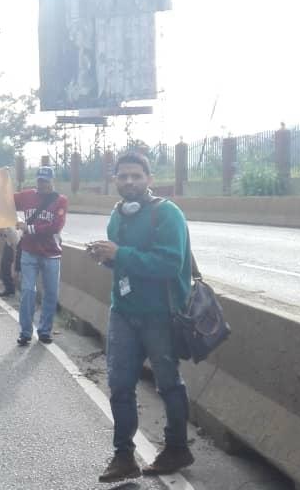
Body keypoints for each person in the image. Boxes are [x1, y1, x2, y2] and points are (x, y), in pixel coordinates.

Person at [89, 153, 194, 483]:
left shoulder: (168, 214)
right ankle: (123, 456)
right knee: (119, 386)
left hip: (160, 314)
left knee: (168, 384)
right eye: (123, 176)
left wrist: (120, 255)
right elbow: (121, 263)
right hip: (123, 312)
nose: (129, 182)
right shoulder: (116, 216)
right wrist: (105, 258)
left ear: (150, 179)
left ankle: (177, 448)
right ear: (115, 181)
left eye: (136, 176)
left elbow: (170, 264)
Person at [13, 166, 68, 346]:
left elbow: (55, 226)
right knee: (28, 291)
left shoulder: (60, 200)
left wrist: (29, 228)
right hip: (29, 252)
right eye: (40, 180)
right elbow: (6, 202)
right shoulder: (27, 196)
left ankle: (44, 330)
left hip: (51, 253)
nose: (42, 184)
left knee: (50, 293)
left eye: (46, 181)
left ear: (52, 181)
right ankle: (25, 332)